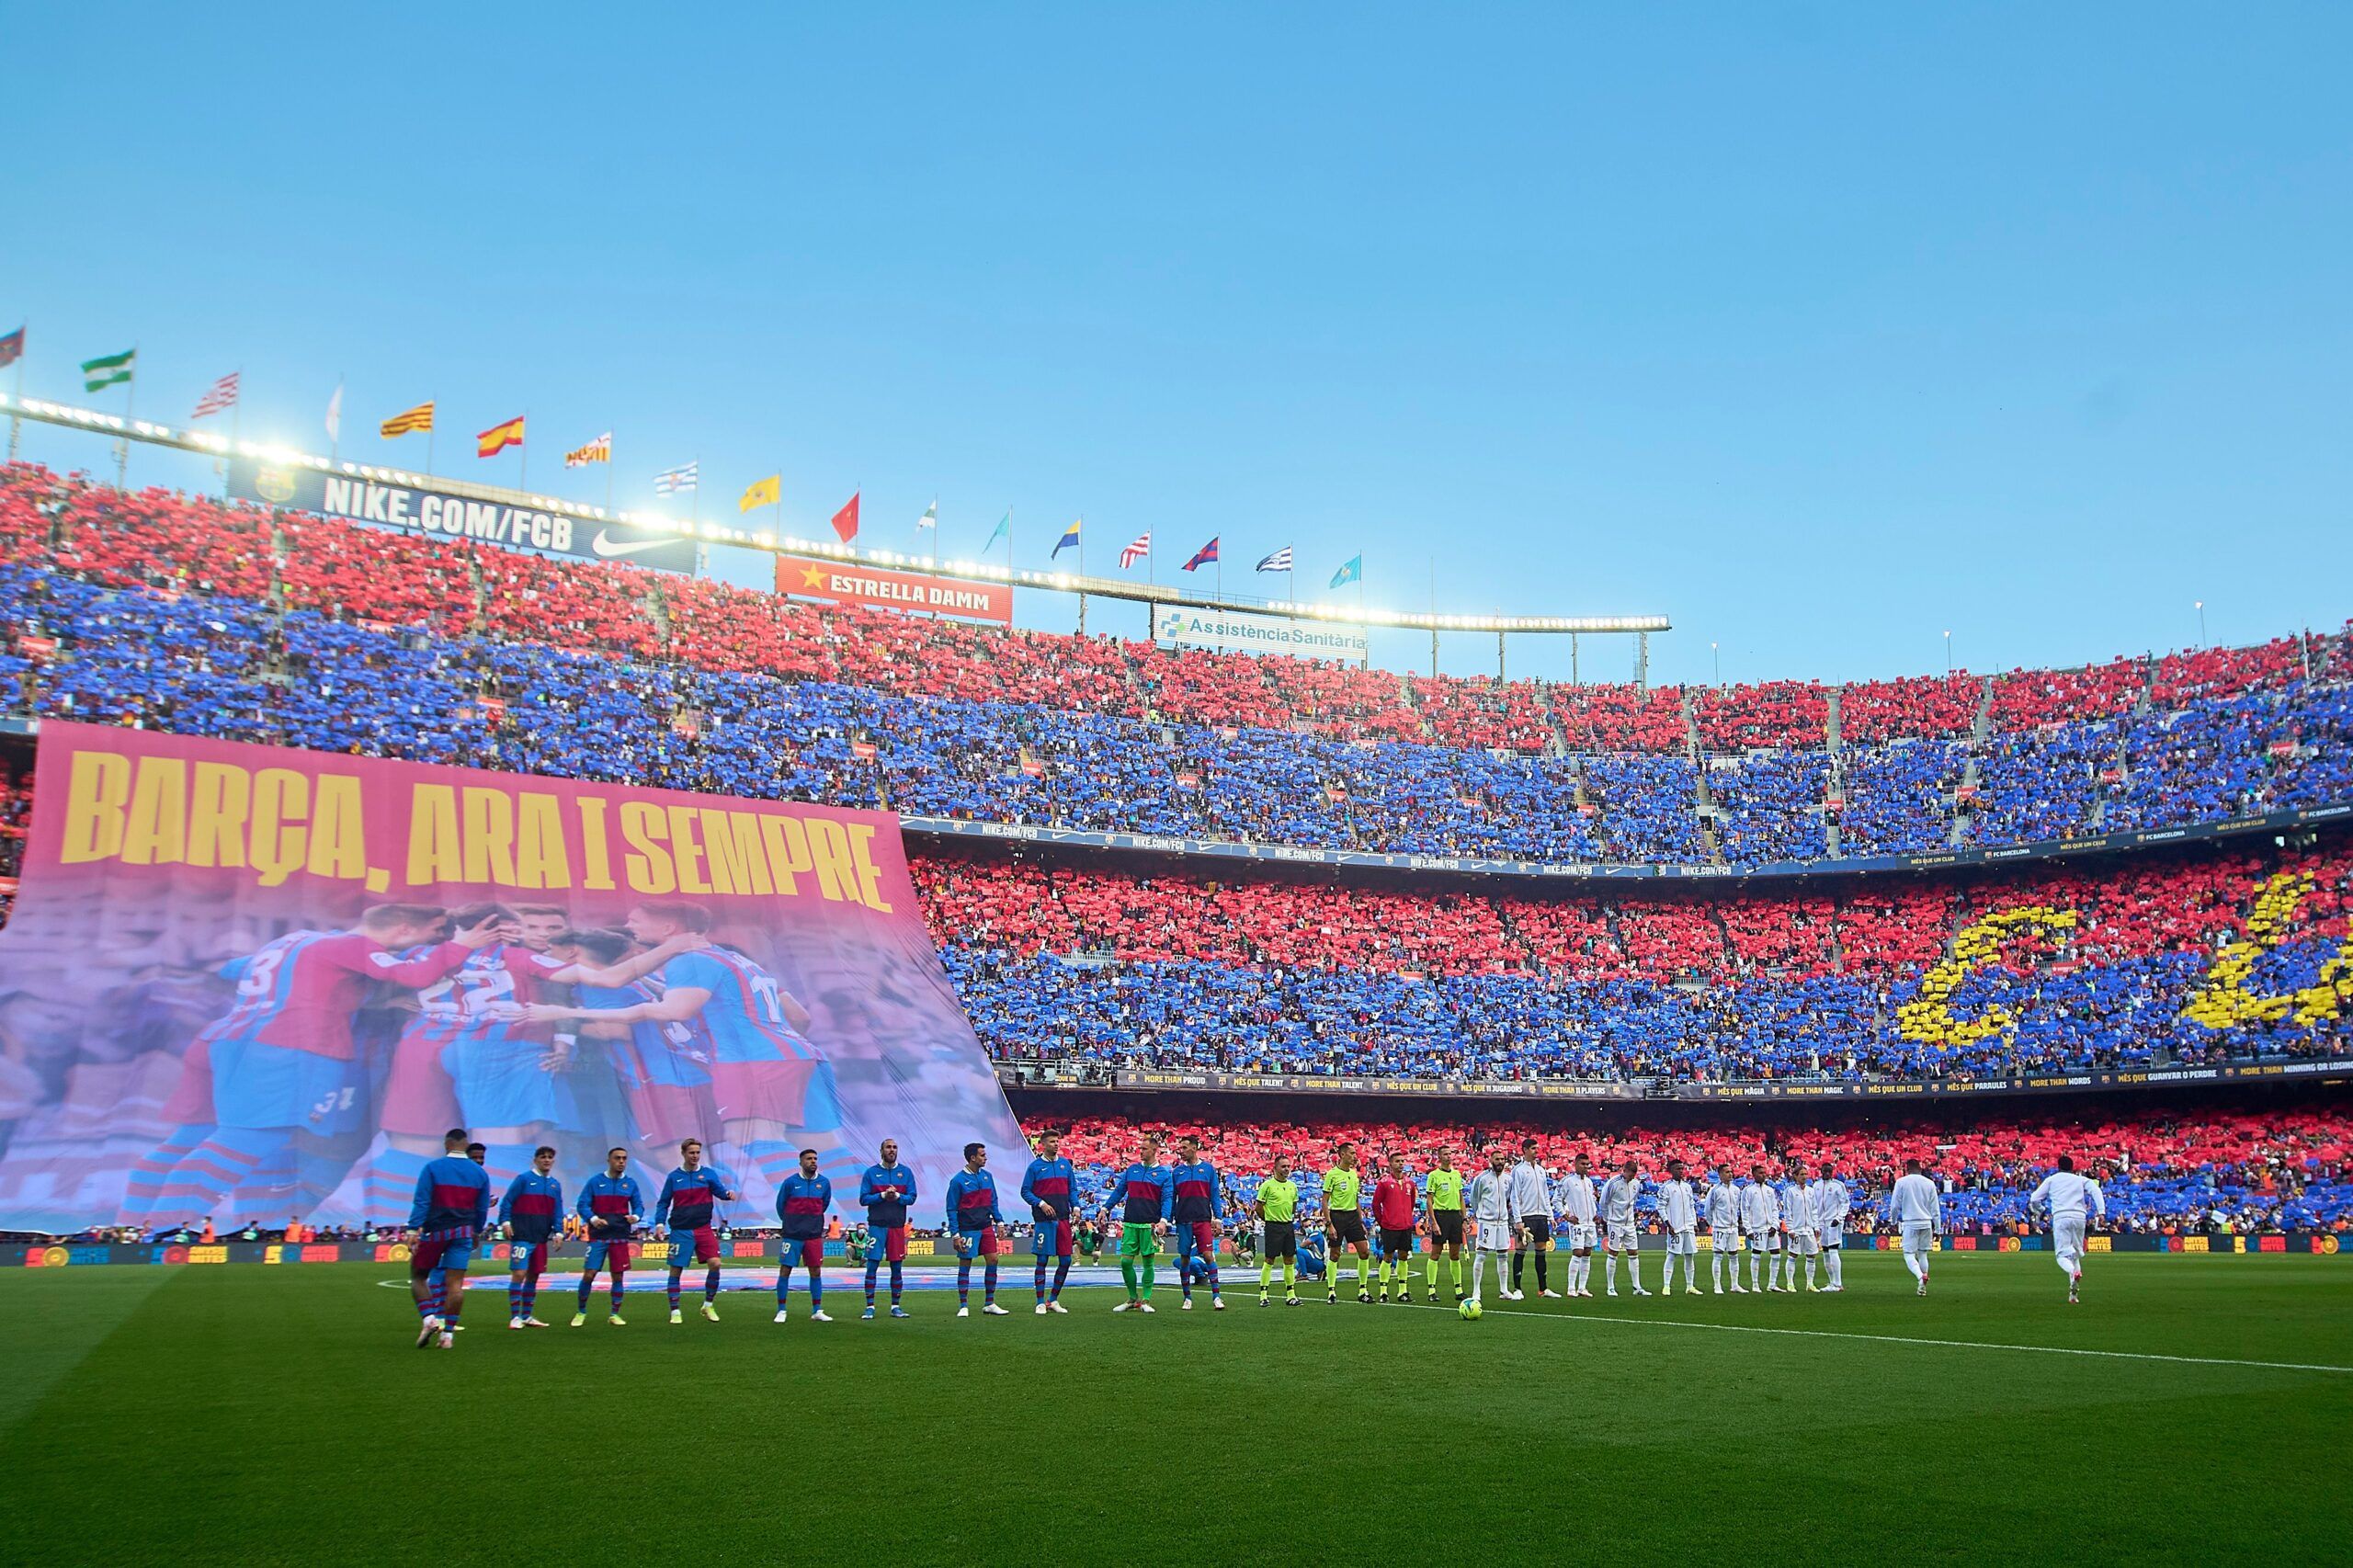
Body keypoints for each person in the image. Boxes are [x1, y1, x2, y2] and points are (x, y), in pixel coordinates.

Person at [128, 904, 499, 1226]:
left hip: (228, 1038)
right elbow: (413, 975)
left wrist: (354, 997)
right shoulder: (352, 945)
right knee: (249, 1139)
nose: (438, 940)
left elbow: (233, 970)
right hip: (286, 1046)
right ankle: (165, 1229)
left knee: (192, 1137)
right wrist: (460, 948)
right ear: (404, 927)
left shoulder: (295, 940)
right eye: (435, 933)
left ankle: (130, 1226)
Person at [406, 1127, 491, 1350]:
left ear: (447, 1144)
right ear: (465, 1145)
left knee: (418, 1276)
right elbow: (482, 1209)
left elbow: (422, 1201)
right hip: (463, 1232)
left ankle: (429, 1319)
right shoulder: (480, 1173)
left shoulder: (433, 1168)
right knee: (455, 1285)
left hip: (436, 1232)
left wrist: (413, 1230)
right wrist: (476, 1232)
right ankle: (448, 1336)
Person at [654, 1139, 736, 1324]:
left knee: (715, 1263)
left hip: (703, 1228)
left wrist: (728, 1195)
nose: (695, 1156)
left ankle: (708, 1305)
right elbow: (664, 1203)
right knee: (676, 1270)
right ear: (683, 1153)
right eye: (691, 1153)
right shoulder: (674, 1177)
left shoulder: (708, 1174)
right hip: (680, 1230)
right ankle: (675, 1311)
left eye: (698, 1153)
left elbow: (720, 1192)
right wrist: (659, 1224)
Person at [573, 1146, 643, 1325]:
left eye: (624, 1158)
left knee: (618, 1276)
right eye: (617, 1158)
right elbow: (583, 1205)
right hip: (598, 1236)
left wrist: (635, 1217)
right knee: (589, 1274)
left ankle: (614, 1314)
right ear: (609, 1160)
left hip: (619, 1236)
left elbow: (639, 1206)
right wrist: (594, 1218)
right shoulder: (595, 1182)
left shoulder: (630, 1184)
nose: (621, 1161)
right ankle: (581, 1312)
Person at [1107, 1132, 1174, 1312]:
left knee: (1148, 1263)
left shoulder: (1164, 1175)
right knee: (1126, 1262)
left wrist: (1163, 1221)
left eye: (1144, 1149)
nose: (1140, 1152)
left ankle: (1146, 1300)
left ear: (1154, 1150)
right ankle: (1132, 1298)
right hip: (1130, 1223)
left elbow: (1167, 1199)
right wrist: (1106, 1208)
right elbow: (1119, 1191)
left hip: (1149, 1225)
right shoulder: (1132, 1170)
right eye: (1140, 1148)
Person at [497, 1144, 563, 1328]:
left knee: (534, 1276)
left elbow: (557, 1210)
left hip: (541, 1237)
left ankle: (526, 1315)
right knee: (519, 1274)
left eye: (550, 1157)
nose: (547, 1160)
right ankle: (514, 1317)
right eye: (543, 1157)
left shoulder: (554, 1185)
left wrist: (558, 1232)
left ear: (553, 1161)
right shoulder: (524, 1179)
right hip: (522, 1235)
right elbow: (508, 1201)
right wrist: (506, 1222)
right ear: (535, 1160)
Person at [2029, 1155, 2107, 1304]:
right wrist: (2101, 1211)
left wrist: (2042, 1210)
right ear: (2072, 1167)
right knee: (2075, 1255)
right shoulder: (2080, 1179)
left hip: (2061, 1216)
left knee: (2061, 1256)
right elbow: (2096, 1190)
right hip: (2079, 1217)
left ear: (2058, 1166)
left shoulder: (2052, 1180)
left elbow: (2034, 1198)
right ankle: (2073, 1295)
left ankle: (2073, 1272)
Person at [943, 1142, 1009, 1316]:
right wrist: (955, 1234)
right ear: (973, 1158)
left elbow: (993, 1201)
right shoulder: (957, 1181)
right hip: (967, 1228)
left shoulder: (987, 1176)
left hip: (985, 1226)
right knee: (965, 1264)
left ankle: (990, 1303)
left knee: (993, 1260)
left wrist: (1000, 1222)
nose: (985, 1158)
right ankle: (963, 1305)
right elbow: (951, 1208)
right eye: (982, 1155)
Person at [857, 1139, 919, 1319]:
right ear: (881, 1150)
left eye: (894, 1147)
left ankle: (895, 1307)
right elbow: (863, 1199)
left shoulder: (905, 1173)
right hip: (877, 1226)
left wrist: (898, 1196)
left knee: (897, 1267)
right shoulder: (871, 1173)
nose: (892, 1150)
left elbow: (912, 1197)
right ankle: (870, 1307)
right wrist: (883, 1195)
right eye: (888, 1147)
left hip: (897, 1227)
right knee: (872, 1267)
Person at [1020, 1130, 1080, 1315]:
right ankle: (1039, 1301)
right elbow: (1025, 1191)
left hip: (1063, 1218)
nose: (1056, 1144)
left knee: (1066, 1260)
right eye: (1052, 1141)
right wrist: (1041, 1203)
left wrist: (1076, 1207)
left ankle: (1053, 1299)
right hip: (1044, 1220)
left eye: (1057, 1141)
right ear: (1043, 1145)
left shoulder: (1065, 1165)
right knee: (1042, 1259)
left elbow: (1072, 1189)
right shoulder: (1035, 1167)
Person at [773, 1147, 834, 1323]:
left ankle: (817, 1310)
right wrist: (792, 1223)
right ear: (801, 1162)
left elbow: (824, 1204)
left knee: (815, 1271)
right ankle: (782, 1310)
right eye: (809, 1159)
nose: (813, 1161)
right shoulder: (790, 1183)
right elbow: (780, 1206)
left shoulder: (824, 1183)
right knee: (785, 1270)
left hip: (813, 1235)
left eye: (815, 1158)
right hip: (792, 1235)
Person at [1170, 1134, 1228, 1311]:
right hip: (1184, 1220)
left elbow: (1214, 1195)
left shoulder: (1208, 1169)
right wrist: (1167, 1219)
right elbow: (1172, 1198)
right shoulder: (1177, 1172)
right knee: (1185, 1258)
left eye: (1185, 1148)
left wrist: (1218, 1218)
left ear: (1195, 1148)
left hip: (1203, 1219)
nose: (1182, 1151)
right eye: (1180, 1148)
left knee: (1209, 1255)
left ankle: (1216, 1297)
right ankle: (1187, 1298)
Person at [1322, 1142, 1373, 1305]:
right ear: (1342, 1154)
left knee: (1364, 1252)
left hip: (1352, 1217)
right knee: (1335, 1254)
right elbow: (1325, 1200)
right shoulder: (1332, 1174)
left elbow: (1356, 1199)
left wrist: (1360, 1220)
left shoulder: (1353, 1175)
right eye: (1351, 1153)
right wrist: (1329, 1223)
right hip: (1337, 1216)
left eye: (1355, 1153)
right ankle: (1331, 1291)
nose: (1354, 1156)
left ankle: (1363, 1290)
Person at [1465, 1147, 1516, 1305]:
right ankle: (1476, 1290)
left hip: (1502, 1222)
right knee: (1481, 1254)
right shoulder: (1482, 1179)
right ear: (1491, 1161)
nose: (1500, 1162)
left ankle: (1504, 1290)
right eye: (1497, 1159)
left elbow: (1508, 1198)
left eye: (1502, 1159)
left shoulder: (1508, 1179)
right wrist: (1480, 1214)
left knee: (1503, 1254)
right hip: (1487, 1221)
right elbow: (1474, 1198)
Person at [1506, 1138, 1556, 1300]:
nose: (1536, 1151)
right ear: (1525, 1150)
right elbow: (1514, 1196)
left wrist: (1550, 1215)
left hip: (1540, 1215)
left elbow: (1545, 1194)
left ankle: (1543, 1288)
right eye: (1533, 1148)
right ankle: (1517, 1289)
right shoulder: (1518, 1170)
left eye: (1537, 1148)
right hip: (1526, 1215)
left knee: (1541, 1251)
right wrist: (1518, 1220)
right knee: (1521, 1249)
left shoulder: (1541, 1170)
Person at [1889, 1158, 1944, 1297]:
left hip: (1910, 1222)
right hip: (1926, 1223)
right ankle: (1922, 1286)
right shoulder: (1929, 1183)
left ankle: (1921, 1277)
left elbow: (1895, 1205)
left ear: (1907, 1169)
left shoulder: (1901, 1182)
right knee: (1923, 1253)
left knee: (1908, 1254)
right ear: (1920, 1168)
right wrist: (1937, 1229)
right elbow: (1935, 1209)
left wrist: (1893, 1221)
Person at [1371, 1153, 1417, 1304]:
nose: (1400, 1164)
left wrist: (1407, 1220)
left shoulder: (1410, 1183)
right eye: (1397, 1161)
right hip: (1389, 1227)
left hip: (1405, 1226)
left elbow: (1411, 1203)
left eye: (1402, 1161)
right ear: (1390, 1164)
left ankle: (1403, 1291)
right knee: (1388, 1257)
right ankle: (1383, 1291)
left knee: (1403, 1256)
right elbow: (1376, 1204)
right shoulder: (1383, 1183)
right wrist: (1383, 1221)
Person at [1421, 1148, 1466, 1303]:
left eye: (1450, 1153)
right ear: (1439, 1157)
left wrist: (1464, 1218)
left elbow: (1461, 1198)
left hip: (1455, 1216)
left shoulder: (1457, 1174)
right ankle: (1431, 1289)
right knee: (1436, 1254)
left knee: (1455, 1255)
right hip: (1441, 1215)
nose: (1448, 1156)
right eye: (1445, 1154)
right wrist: (1433, 1221)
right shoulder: (1433, 1175)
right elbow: (1429, 1200)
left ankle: (1459, 1289)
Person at [1255, 1158, 1302, 1306]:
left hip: (1288, 1226)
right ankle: (1263, 1295)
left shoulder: (1293, 1186)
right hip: (1273, 1226)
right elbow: (1258, 1207)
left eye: (1288, 1166)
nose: (1287, 1169)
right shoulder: (1267, 1186)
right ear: (1275, 1168)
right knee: (1270, 1260)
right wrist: (1269, 1219)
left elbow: (1294, 1206)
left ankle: (1291, 1295)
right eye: (1283, 1166)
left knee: (1289, 1260)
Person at [1600, 1158, 1649, 1297]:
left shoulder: (1636, 1184)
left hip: (1630, 1224)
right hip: (1615, 1223)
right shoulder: (1613, 1183)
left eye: (1634, 1175)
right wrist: (1607, 1219)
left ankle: (1637, 1286)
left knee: (1633, 1253)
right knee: (1613, 1253)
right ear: (1624, 1170)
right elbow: (1604, 1202)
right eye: (1630, 1174)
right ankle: (1610, 1286)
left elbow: (1633, 1201)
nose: (1632, 1177)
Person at [1558, 1153, 1599, 1299]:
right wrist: (1566, 1216)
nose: (1585, 1167)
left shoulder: (1589, 1181)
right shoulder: (1567, 1181)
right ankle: (1570, 1288)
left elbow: (1591, 1199)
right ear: (1575, 1164)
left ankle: (1582, 1288)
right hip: (1577, 1224)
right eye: (1582, 1164)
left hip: (1590, 1223)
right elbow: (1557, 1199)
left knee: (1587, 1253)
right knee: (1577, 1253)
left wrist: (1595, 1213)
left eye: (1587, 1164)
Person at [1655, 1158, 1700, 1295]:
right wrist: (1668, 1223)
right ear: (1671, 1171)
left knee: (1690, 1255)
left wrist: (1695, 1223)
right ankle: (1667, 1286)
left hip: (1688, 1226)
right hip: (1675, 1227)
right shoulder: (1667, 1187)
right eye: (1678, 1169)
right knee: (1672, 1255)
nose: (1681, 1171)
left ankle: (1690, 1286)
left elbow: (1691, 1206)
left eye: (1682, 1169)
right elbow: (1660, 1207)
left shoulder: (1687, 1187)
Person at [1740, 1162, 1782, 1293]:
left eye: (1764, 1173)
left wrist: (1775, 1225)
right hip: (1757, 1228)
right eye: (1760, 1173)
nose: (1764, 1175)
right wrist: (1749, 1229)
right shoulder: (1748, 1191)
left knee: (1776, 1255)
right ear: (1753, 1175)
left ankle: (1772, 1284)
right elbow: (1744, 1210)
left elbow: (1775, 1209)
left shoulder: (1770, 1190)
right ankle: (1755, 1285)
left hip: (1771, 1228)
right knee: (1756, 1256)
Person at [1780, 1158, 1820, 1293]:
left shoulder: (1811, 1191)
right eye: (1801, 1174)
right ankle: (1790, 1283)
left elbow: (1814, 1210)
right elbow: (1788, 1211)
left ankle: (1810, 1284)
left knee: (1812, 1256)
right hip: (1796, 1229)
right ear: (1795, 1176)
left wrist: (1816, 1226)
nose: (1804, 1177)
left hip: (1809, 1229)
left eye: (1806, 1174)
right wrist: (1790, 1228)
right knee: (1793, 1255)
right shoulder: (1790, 1191)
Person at [1704, 1169, 1744, 1295]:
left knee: (1734, 1255)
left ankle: (1735, 1284)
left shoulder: (1736, 1190)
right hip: (1720, 1228)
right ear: (1720, 1175)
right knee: (1718, 1255)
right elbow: (1708, 1210)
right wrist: (1714, 1224)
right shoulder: (1715, 1190)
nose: (1730, 1174)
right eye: (1727, 1172)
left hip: (1733, 1228)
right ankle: (1717, 1285)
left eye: (1731, 1171)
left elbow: (1738, 1208)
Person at [1814, 1162, 1852, 1293]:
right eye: (1824, 1171)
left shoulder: (1838, 1185)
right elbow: (1815, 1206)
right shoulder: (1816, 1185)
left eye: (1829, 1171)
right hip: (1821, 1222)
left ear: (1832, 1172)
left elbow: (1845, 1203)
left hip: (1833, 1221)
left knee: (1833, 1250)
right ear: (1821, 1171)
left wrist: (1839, 1218)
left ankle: (1838, 1283)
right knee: (1825, 1252)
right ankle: (1832, 1282)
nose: (1826, 1173)